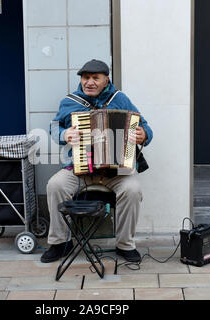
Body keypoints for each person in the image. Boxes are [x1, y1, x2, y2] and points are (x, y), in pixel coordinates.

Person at [41, 59, 153, 263]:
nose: (89, 82)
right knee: (55, 185)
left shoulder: (120, 99)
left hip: (116, 171)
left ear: (106, 80)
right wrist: (65, 134)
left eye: (95, 78)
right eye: (85, 78)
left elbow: (145, 126)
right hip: (79, 169)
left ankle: (124, 244)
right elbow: (54, 127)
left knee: (133, 189)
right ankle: (60, 243)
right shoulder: (70, 102)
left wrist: (143, 134)